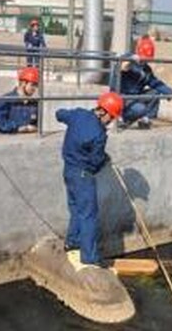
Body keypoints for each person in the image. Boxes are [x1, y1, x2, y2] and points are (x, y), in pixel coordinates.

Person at [56, 92, 123, 268]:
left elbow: (59, 114)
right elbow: (95, 163)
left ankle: (72, 243)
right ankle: (90, 257)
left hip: (68, 171)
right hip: (83, 176)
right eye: (111, 117)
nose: (111, 121)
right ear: (104, 112)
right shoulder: (99, 134)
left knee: (76, 209)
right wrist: (104, 160)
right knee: (89, 216)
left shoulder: (78, 114)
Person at [109, 35, 172, 129]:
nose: (146, 61)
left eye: (148, 59)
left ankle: (145, 120)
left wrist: (171, 94)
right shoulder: (128, 58)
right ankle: (121, 119)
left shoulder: (146, 69)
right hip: (122, 97)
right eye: (145, 58)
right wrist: (131, 60)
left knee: (155, 92)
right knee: (140, 109)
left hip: (136, 96)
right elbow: (122, 67)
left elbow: (156, 83)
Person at [0, 67, 39, 134]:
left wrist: (34, 128)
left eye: (36, 85)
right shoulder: (5, 100)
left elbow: (36, 124)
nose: (34, 88)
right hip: (8, 140)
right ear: (23, 83)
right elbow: (0, 123)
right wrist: (18, 128)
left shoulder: (34, 103)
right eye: (32, 85)